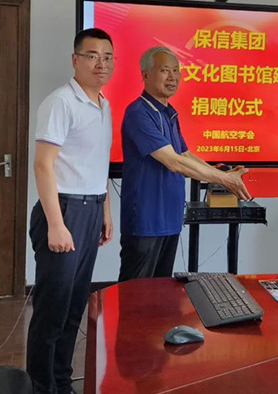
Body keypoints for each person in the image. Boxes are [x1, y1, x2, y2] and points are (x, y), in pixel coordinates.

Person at [28, 28, 115, 394]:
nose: (101, 64)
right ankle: (41, 387)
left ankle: (62, 383)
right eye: (92, 56)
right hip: (63, 211)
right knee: (52, 310)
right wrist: (56, 224)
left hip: (90, 209)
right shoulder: (61, 102)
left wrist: (105, 210)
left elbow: (99, 163)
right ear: (75, 60)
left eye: (107, 57)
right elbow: (43, 165)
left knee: (74, 307)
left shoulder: (104, 104)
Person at [119, 46, 251, 281]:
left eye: (176, 70)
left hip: (169, 218)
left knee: (160, 290)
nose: (172, 77)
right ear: (146, 75)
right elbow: (174, 162)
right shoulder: (138, 112)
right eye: (164, 70)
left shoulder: (169, 113)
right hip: (146, 221)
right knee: (135, 292)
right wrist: (224, 179)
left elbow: (185, 155)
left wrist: (220, 172)